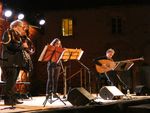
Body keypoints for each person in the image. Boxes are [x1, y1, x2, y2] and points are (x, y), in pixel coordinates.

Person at [1, 20, 34, 105]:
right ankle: (8, 100)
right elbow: (9, 46)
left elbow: (20, 47)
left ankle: (13, 98)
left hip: (16, 62)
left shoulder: (18, 36)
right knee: (10, 82)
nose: (23, 28)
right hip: (9, 61)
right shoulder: (7, 32)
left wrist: (26, 48)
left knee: (13, 82)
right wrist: (22, 46)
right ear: (15, 26)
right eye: (21, 26)